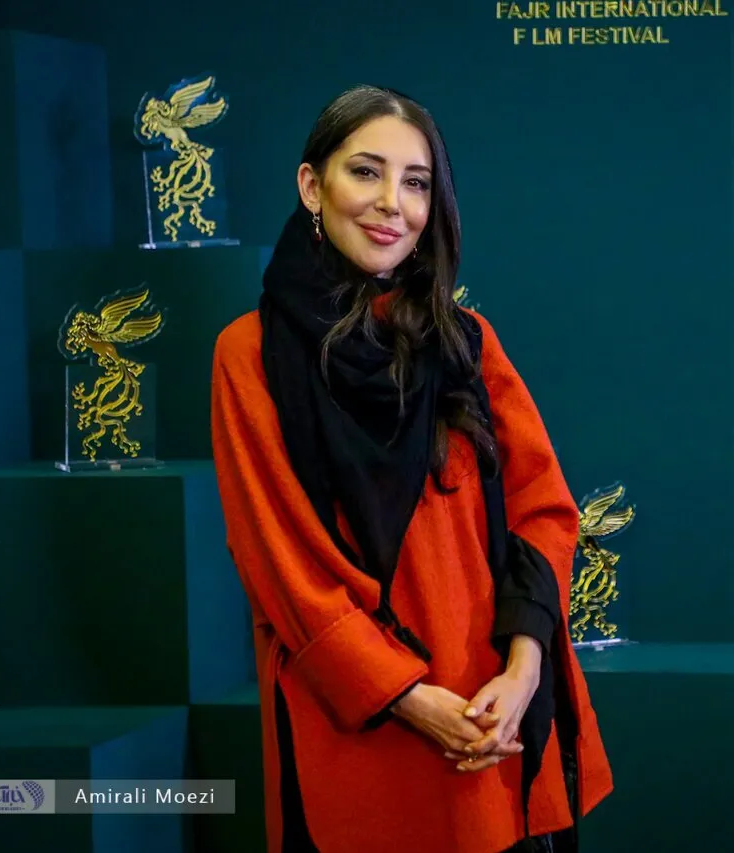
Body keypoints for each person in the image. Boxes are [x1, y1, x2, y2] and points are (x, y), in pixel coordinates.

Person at [209, 84, 614, 853]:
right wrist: (407, 697)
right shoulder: (250, 354)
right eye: (366, 171)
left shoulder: (465, 340)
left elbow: (543, 511)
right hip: (361, 727)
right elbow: (280, 562)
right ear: (311, 186)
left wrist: (524, 668)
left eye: (417, 182)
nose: (392, 203)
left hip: (492, 721)